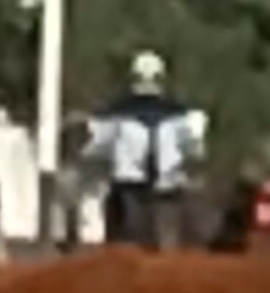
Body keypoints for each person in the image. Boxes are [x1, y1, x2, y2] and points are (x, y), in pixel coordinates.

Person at [85, 52, 201, 249]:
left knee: (124, 239)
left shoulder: (117, 113)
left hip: (128, 187)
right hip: (167, 187)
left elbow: (98, 147)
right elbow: (194, 149)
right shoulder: (179, 115)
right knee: (168, 242)